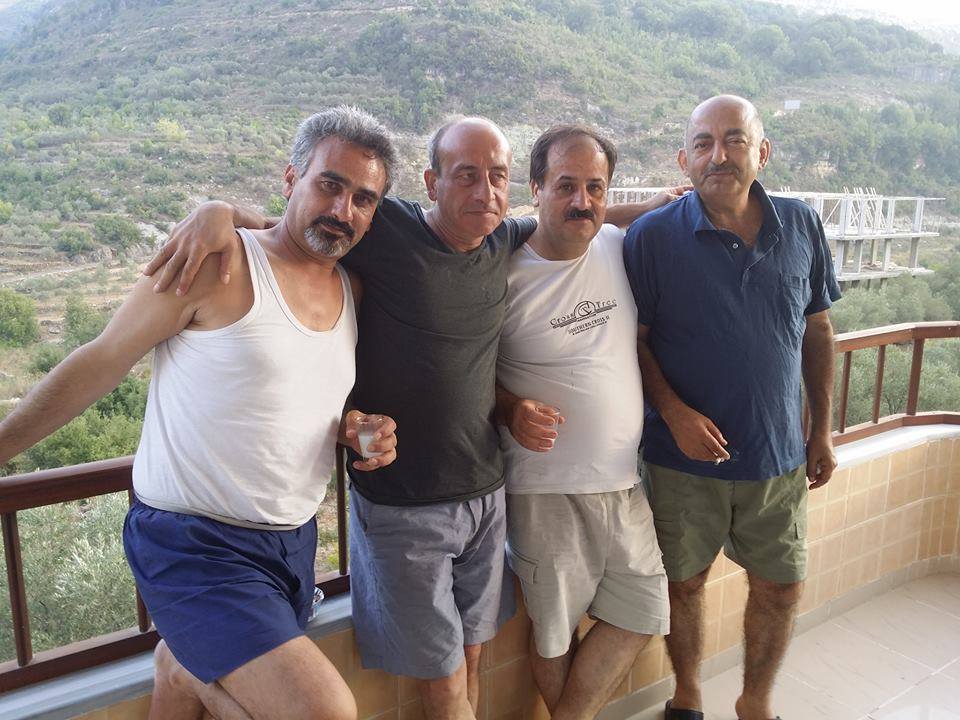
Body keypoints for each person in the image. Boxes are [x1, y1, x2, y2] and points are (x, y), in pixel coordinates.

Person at [144, 116, 673, 720]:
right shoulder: (387, 228)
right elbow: (298, 222)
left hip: (484, 490)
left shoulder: (501, 238)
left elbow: (565, 215)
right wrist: (220, 212)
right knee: (443, 680)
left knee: (471, 657)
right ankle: (183, 669)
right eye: (466, 175)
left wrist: (652, 206)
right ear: (431, 182)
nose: (484, 192)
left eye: (496, 177)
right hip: (403, 501)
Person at [0, 106, 399, 720]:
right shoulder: (216, 262)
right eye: (330, 184)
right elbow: (101, 360)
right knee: (325, 712)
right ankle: (184, 669)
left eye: (363, 199)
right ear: (291, 178)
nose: (343, 210)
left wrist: (352, 428)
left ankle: (178, 671)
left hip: (291, 542)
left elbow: (299, 393)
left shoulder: (353, 290)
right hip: (193, 541)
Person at [622, 95, 840, 720]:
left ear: (762, 151)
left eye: (735, 139)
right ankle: (688, 695)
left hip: (777, 455)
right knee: (683, 584)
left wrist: (821, 431)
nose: (719, 155)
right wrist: (674, 412)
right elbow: (634, 340)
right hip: (680, 461)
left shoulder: (801, 223)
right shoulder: (652, 237)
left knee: (781, 587)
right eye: (704, 143)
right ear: (684, 159)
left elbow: (818, 329)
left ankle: (755, 702)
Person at [495, 125, 673, 720]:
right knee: (554, 631)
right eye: (565, 185)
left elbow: (602, 218)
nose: (582, 200)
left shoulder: (616, 244)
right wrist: (509, 406)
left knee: (643, 610)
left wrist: (649, 205)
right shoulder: (504, 270)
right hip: (546, 487)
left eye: (595, 187)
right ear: (535, 188)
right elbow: (468, 368)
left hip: (624, 479)